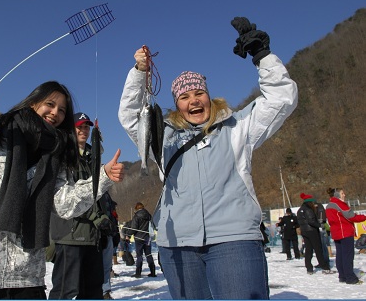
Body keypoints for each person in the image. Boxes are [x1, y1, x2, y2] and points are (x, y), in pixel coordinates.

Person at [118, 17, 297, 299]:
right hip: (177, 243)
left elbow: (281, 100)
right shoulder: (162, 136)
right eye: (185, 96)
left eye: (199, 93)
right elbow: (131, 116)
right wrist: (139, 73)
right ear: (177, 104)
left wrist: (263, 56)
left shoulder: (239, 126)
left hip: (234, 240)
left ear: (209, 97)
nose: (194, 101)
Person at [0, 83, 124, 299]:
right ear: (34, 102)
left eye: (62, 110)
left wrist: (103, 178)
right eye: (50, 104)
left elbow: (64, 204)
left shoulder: (58, 153)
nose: (55, 113)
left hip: (22, 272)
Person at [48, 112, 114, 299]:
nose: (84, 130)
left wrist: (108, 219)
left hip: (93, 238)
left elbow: (100, 197)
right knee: (65, 291)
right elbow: (68, 198)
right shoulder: (63, 156)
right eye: (79, 127)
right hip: (70, 236)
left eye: (86, 127)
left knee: (93, 290)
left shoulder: (94, 158)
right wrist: (97, 217)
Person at [326, 187, 366, 284]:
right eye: (342, 193)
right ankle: (350, 277)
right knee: (347, 256)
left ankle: (342, 276)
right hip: (345, 232)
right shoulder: (339, 204)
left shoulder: (329, 205)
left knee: (340, 255)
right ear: (337, 195)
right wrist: (364, 217)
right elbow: (351, 216)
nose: (344, 195)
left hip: (336, 233)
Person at [296, 193, 334, 275]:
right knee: (318, 249)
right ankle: (325, 267)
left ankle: (309, 268)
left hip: (304, 231)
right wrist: (320, 225)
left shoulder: (300, 210)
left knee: (308, 250)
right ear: (309, 202)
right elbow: (311, 221)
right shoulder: (308, 210)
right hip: (312, 231)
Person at [128, 202, 156, 278]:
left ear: (136, 208)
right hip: (147, 237)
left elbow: (134, 228)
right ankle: (153, 271)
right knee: (149, 254)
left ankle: (138, 272)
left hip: (139, 238)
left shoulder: (136, 216)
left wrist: (128, 234)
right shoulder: (149, 215)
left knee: (139, 255)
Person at [314, 201, 331, 267]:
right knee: (324, 246)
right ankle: (325, 260)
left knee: (322, 246)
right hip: (323, 228)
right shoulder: (322, 209)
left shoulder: (319, 210)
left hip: (321, 228)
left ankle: (324, 261)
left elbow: (320, 220)